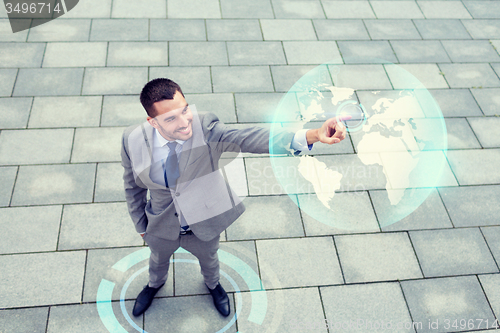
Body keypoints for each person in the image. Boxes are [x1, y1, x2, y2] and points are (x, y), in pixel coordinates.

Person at [120, 78, 349, 318]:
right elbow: (131, 186)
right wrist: (141, 227)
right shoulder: (131, 139)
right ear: (153, 122)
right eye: (170, 118)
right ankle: (154, 285)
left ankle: (213, 285)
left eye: (185, 110)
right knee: (157, 261)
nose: (184, 122)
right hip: (160, 225)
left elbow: (250, 137)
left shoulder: (205, 128)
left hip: (203, 222)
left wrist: (312, 135)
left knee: (210, 260)